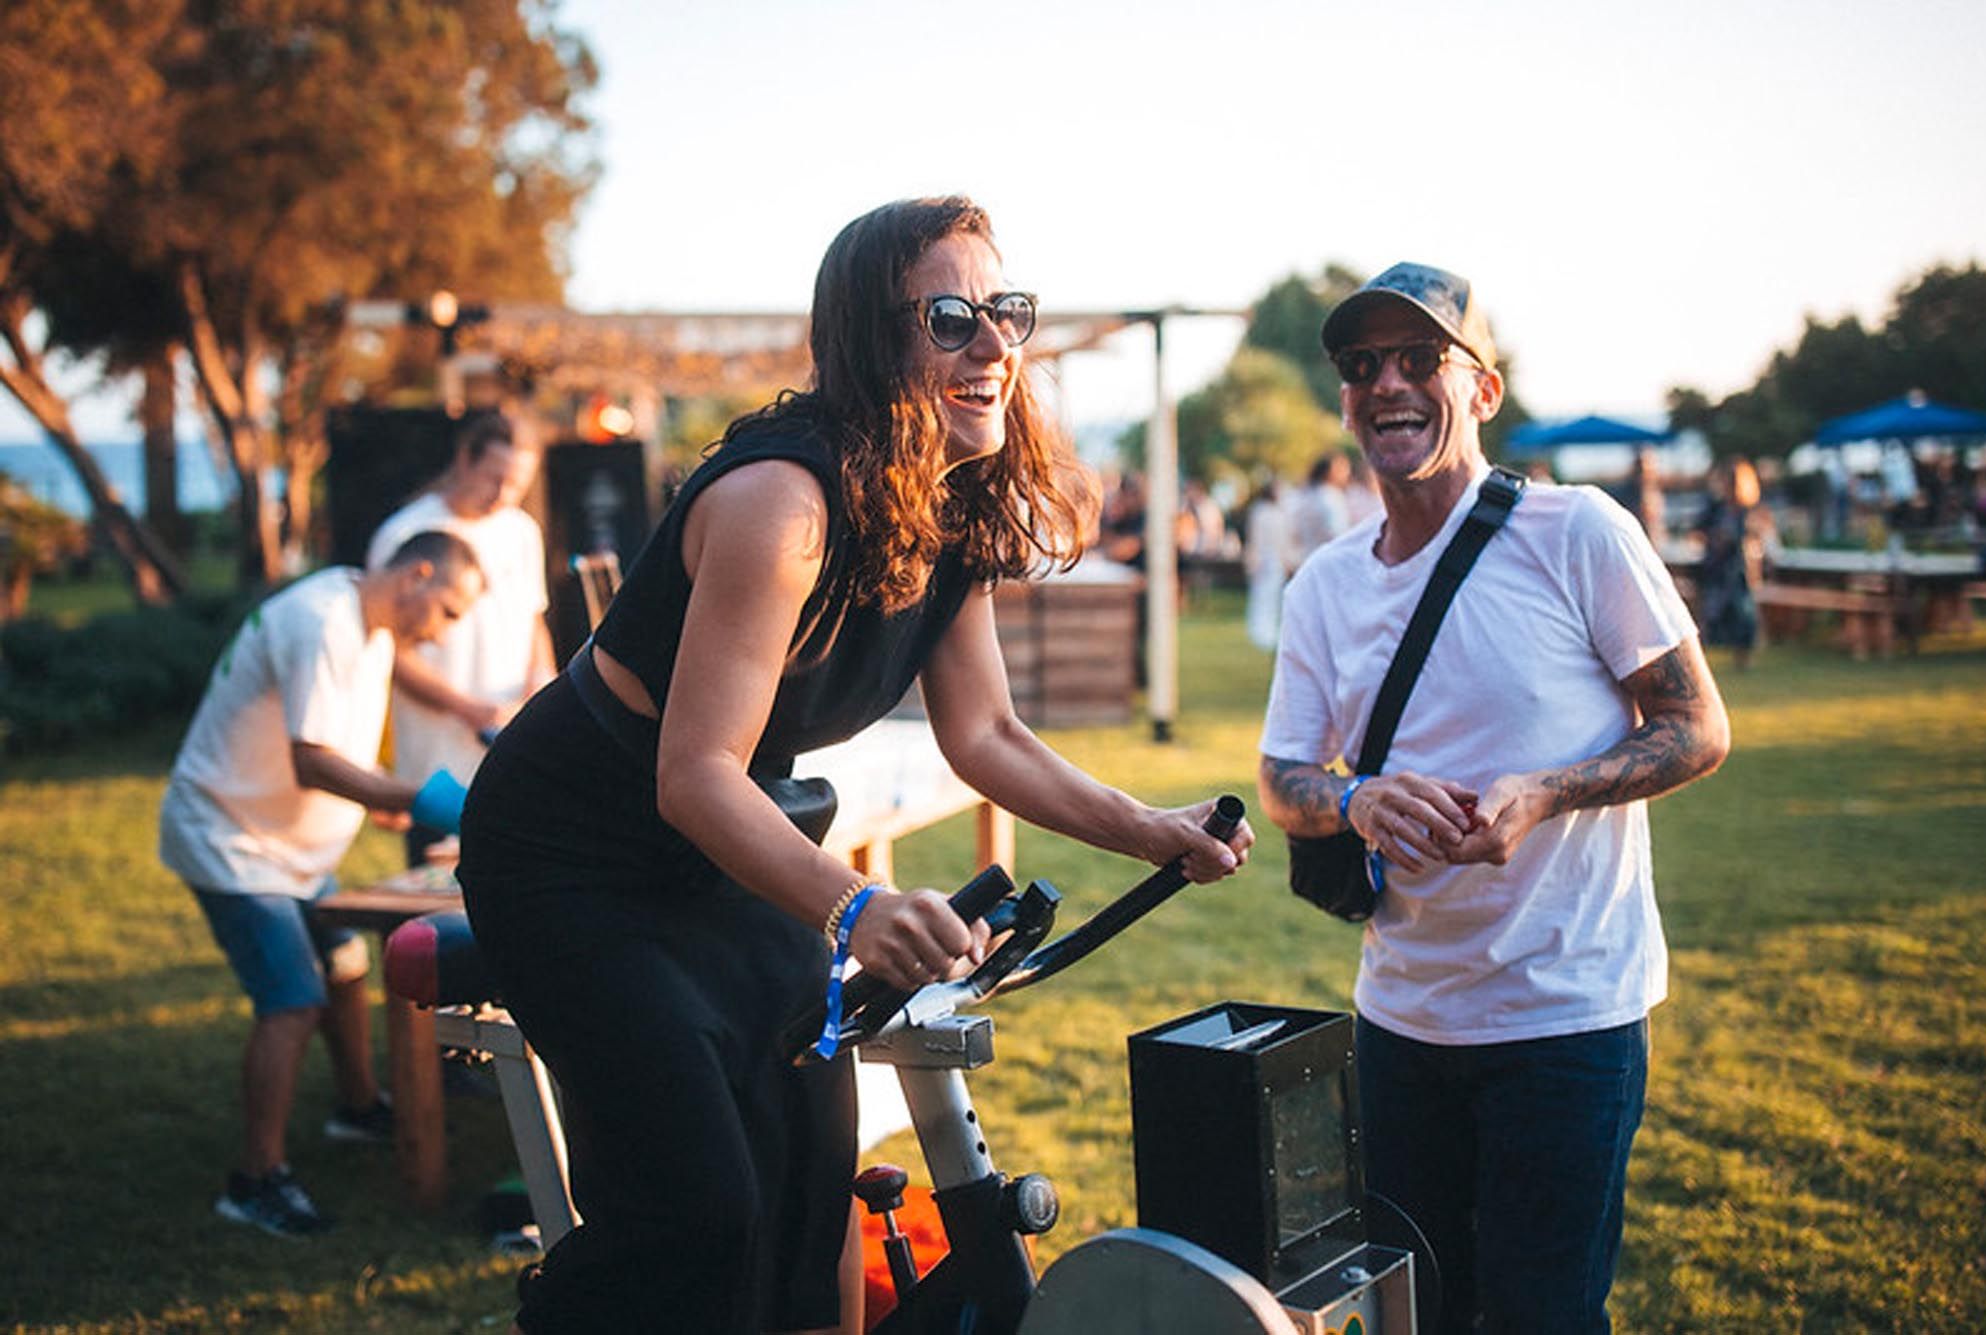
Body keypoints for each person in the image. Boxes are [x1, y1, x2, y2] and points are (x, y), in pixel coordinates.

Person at [456, 197, 1253, 1335]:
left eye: (1004, 313)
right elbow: (690, 773)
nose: (993, 348)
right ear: (871, 342)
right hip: (572, 853)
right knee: (699, 1212)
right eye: (949, 318)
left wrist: (1152, 829)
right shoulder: (780, 502)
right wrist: (857, 905)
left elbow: (985, 738)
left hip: (727, 842)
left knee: (808, 1183)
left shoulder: (953, 508)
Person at [1256, 262, 1730, 1334]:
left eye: (1420, 359)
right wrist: (1357, 802)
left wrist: (1544, 792)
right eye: (1361, 365)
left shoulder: (1578, 534)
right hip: (1400, 1022)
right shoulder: (1323, 584)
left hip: (1565, 1019)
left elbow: (1695, 725)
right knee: (1413, 1314)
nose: (1387, 384)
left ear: (1480, 390)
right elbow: (1282, 778)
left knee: (1538, 1315)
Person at [159, 531, 487, 1237]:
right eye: (449, 610)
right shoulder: (322, 622)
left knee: (344, 965)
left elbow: (332, 746)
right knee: (292, 1000)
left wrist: (385, 797)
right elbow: (313, 761)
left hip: (296, 847)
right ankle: (255, 1178)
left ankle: (359, 1107)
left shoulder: (360, 613)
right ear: (417, 574)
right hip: (232, 837)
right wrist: (434, 801)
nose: (441, 631)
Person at [365, 413, 554, 865]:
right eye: (495, 479)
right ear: (464, 460)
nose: (504, 497)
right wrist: (465, 708)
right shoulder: (404, 533)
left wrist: (543, 691)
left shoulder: (522, 530)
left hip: (509, 749)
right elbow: (386, 649)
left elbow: (533, 621)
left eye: (518, 485)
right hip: (436, 759)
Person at [1695, 455, 1770, 669]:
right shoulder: (1715, 507)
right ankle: (1705, 658)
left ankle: (1743, 657)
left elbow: (1762, 537)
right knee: (1712, 613)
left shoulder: (1751, 510)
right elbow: (1698, 530)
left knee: (1743, 614)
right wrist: (1714, 538)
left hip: (1741, 570)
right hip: (1716, 569)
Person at [1242, 478, 1289, 651]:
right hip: (1262, 559)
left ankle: (1270, 631)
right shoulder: (1260, 511)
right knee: (1261, 596)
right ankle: (1259, 631)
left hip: (1276, 560)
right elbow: (1255, 538)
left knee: (1274, 597)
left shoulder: (1279, 512)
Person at [1286, 452, 1353, 565]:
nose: (1347, 473)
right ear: (1331, 471)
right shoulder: (1331, 497)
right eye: (1343, 468)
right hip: (1329, 562)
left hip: (1306, 560)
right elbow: (1338, 534)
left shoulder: (1305, 494)